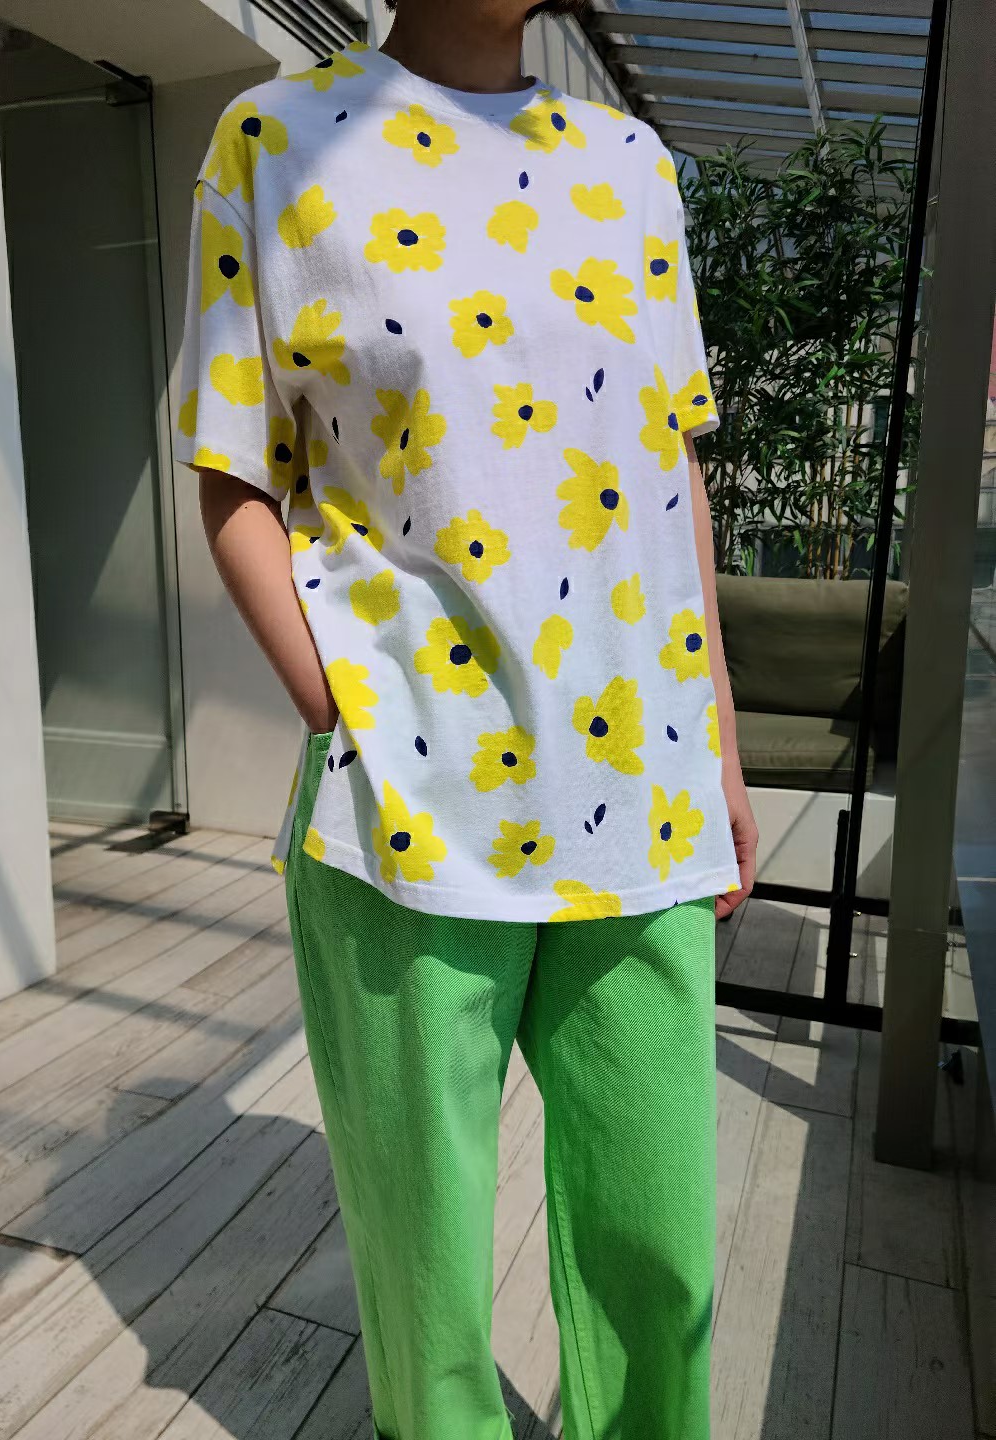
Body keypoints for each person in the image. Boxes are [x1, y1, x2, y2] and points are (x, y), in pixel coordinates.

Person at [174, 1, 758, 1435]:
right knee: (423, 1258)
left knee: (660, 1241)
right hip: (406, 804)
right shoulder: (275, 139)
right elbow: (232, 469)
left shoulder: (630, 165)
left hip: (643, 787)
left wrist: (721, 745)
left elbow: (670, 475)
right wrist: (343, 710)